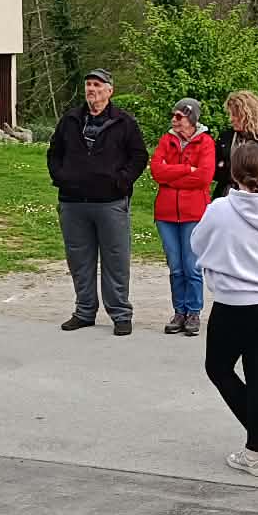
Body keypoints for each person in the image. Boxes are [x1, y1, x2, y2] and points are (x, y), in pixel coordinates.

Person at [193, 141, 258, 477]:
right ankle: (257, 445)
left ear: (233, 174)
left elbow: (197, 243)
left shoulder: (221, 209)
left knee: (218, 368)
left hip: (235, 301)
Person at [46, 69, 148, 336]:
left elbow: (139, 156)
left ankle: (121, 314)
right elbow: (54, 153)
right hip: (73, 202)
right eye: (89, 84)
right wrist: (62, 177)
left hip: (110, 202)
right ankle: (84, 311)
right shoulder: (70, 120)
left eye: (97, 85)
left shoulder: (124, 122)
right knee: (79, 260)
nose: (91, 89)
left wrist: (121, 181)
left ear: (109, 91)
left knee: (116, 259)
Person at [150, 97, 216, 337]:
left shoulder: (205, 142)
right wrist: (187, 169)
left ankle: (193, 312)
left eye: (179, 116)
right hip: (166, 214)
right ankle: (179, 311)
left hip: (193, 214)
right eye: (173, 115)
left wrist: (171, 177)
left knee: (192, 266)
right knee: (175, 267)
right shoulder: (166, 140)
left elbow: (204, 177)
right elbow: (157, 171)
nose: (174, 120)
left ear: (192, 119)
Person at [211, 90, 258, 200]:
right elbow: (215, 171)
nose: (231, 119)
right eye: (230, 114)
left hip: (253, 197)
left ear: (247, 115)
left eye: (235, 115)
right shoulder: (225, 137)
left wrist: (227, 169)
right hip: (225, 195)